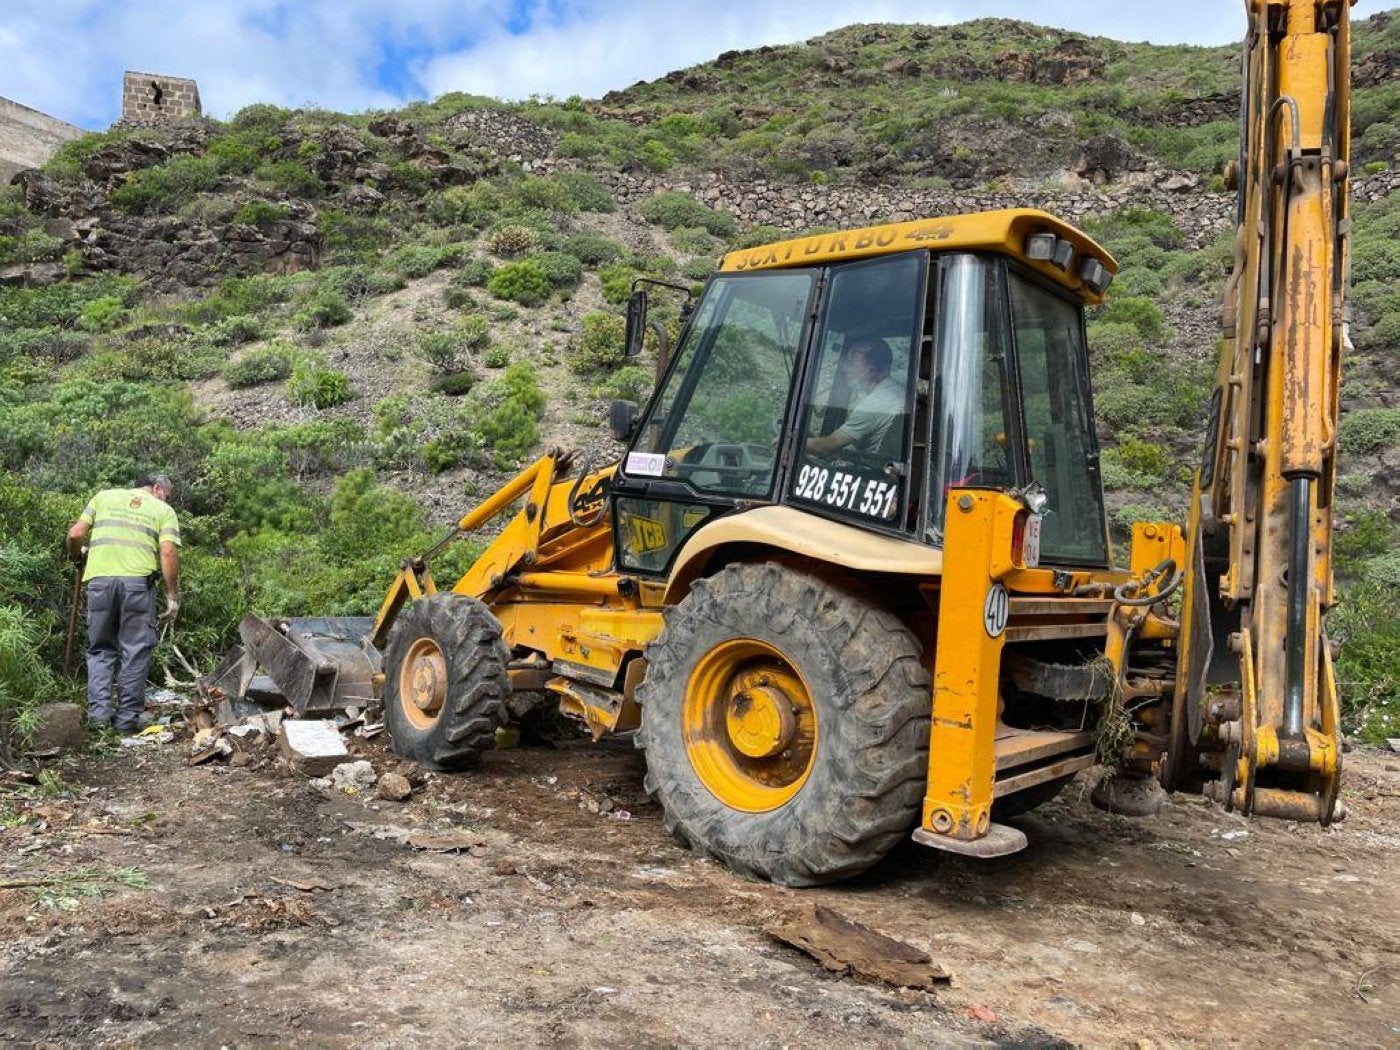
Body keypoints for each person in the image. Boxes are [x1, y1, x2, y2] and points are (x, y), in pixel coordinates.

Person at [66, 473, 181, 733]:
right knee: (136, 650)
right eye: (168, 495)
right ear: (157, 488)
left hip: (99, 583)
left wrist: (77, 558)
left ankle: (99, 718)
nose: (168, 499)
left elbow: (75, 535)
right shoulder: (163, 510)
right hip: (137, 587)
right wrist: (172, 595)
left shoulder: (103, 497)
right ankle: (126, 721)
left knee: (100, 649)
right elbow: (168, 551)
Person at [805, 338, 904, 456]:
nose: (845, 369)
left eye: (852, 363)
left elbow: (825, 447)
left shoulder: (874, 405)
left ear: (871, 370)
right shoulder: (898, 391)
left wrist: (791, 441)